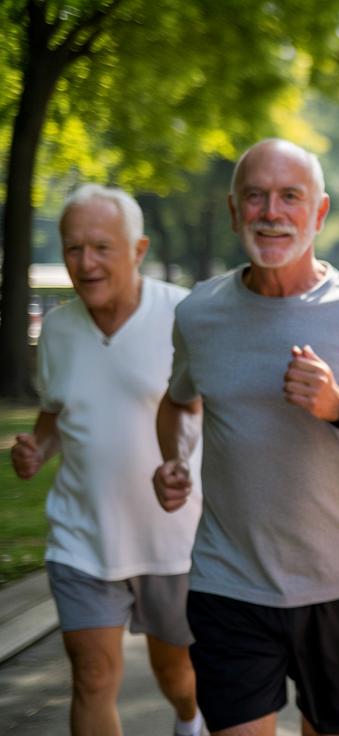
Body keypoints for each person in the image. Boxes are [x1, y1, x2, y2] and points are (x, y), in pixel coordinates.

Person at [153, 139, 339, 736]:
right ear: (235, 211)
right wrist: (174, 458)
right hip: (227, 581)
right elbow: (177, 403)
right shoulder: (199, 314)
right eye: (255, 197)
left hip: (337, 581)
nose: (271, 212)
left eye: (290, 197)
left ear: (319, 212)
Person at [11, 184, 204, 736]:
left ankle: (190, 721)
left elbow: (204, 410)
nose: (85, 262)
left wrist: (181, 465)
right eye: (73, 248)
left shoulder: (185, 314)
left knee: (178, 675)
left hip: (174, 542)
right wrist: (37, 449)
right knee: (92, 677)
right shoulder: (57, 329)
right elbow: (56, 412)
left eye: (101, 247)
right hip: (83, 538)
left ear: (138, 250)